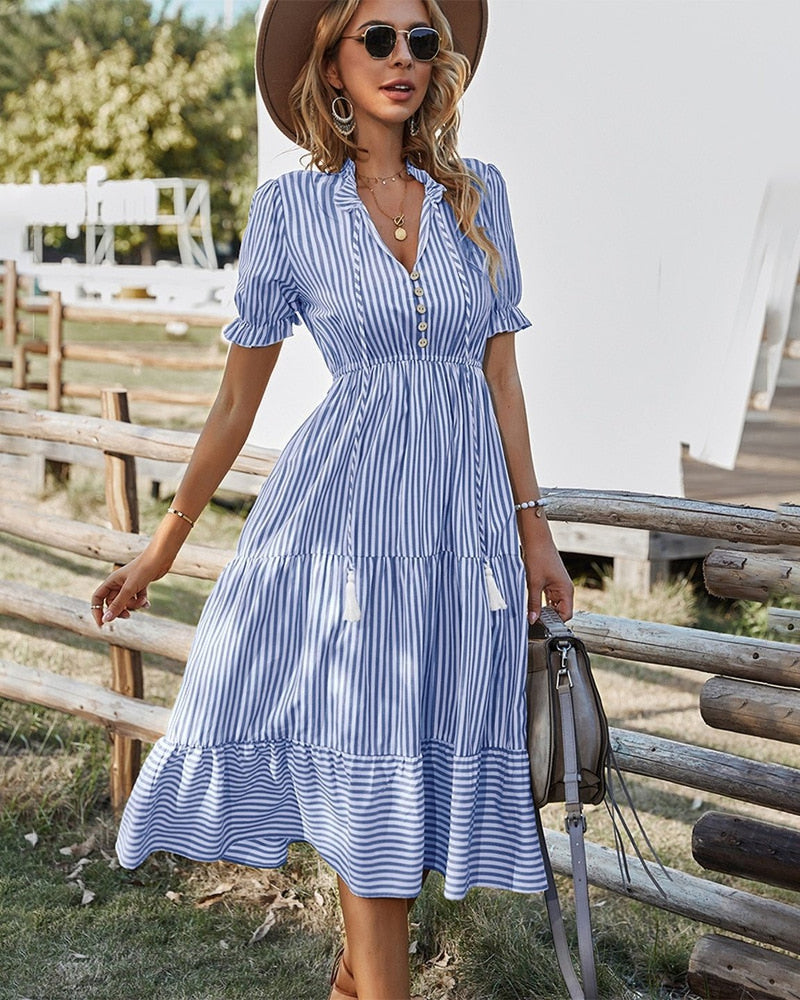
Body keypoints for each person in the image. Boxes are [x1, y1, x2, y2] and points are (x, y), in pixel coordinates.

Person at [91, 1, 574, 997]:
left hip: (455, 535)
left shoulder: (480, 196)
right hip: (342, 534)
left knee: (403, 793)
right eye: (379, 39)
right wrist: (164, 547)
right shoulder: (290, 212)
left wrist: (535, 532)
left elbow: (500, 377)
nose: (403, 59)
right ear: (333, 61)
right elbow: (236, 396)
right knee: (370, 789)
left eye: (421, 41)